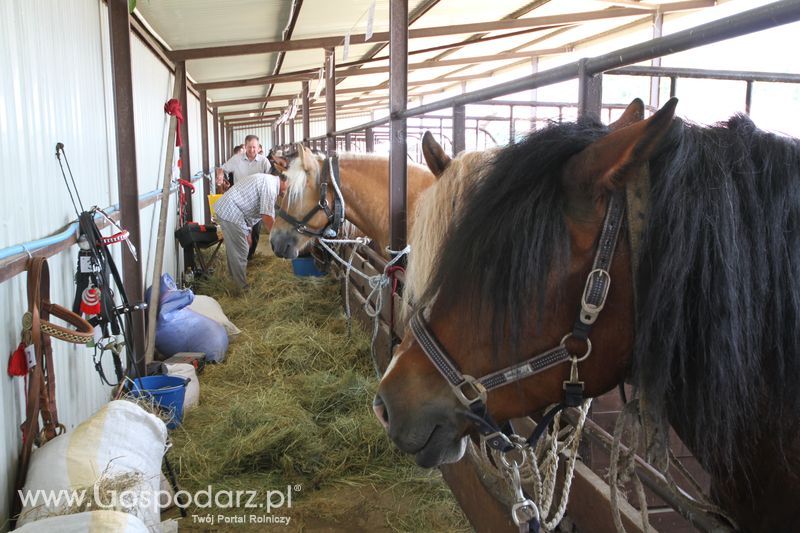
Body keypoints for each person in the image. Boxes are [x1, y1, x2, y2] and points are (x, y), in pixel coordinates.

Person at [213, 173, 286, 290]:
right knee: (240, 250)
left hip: (236, 213)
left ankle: (234, 281)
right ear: (287, 181)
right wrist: (278, 238)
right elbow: (266, 216)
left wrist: (248, 233)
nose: (288, 194)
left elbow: (249, 207)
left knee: (239, 249)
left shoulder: (270, 182)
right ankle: (241, 288)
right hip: (231, 212)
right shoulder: (270, 186)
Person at [216, 135, 272, 259]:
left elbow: (270, 178)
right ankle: (242, 256)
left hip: (257, 202)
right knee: (241, 231)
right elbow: (222, 169)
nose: (252, 150)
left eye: (254, 147)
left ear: (258, 147)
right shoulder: (237, 159)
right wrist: (220, 176)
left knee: (255, 231)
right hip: (239, 202)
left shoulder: (264, 162)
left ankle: (249, 257)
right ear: (245, 146)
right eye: (249, 147)